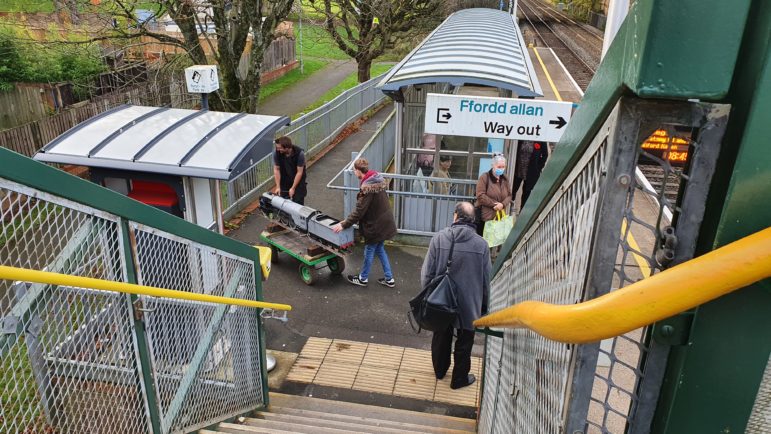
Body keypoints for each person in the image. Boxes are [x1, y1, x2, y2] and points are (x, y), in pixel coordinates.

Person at [421, 202, 490, 390]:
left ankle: (440, 371)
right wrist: (484, 306)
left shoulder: (439, 239)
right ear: (473, 221)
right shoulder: (482, 245)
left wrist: (428, 296)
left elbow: (428, 272)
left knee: (441, 334)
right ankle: (459, 379)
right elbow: (486, 280)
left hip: (441, 299)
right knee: (465, 340)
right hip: (470, 303)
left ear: (455, 216)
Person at [332, 158, 397, 287]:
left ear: (357, 171)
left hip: (376, 225)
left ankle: (363, 278)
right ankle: (389, 278)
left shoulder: (367, 188)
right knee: (380, 249)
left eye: (354, 171)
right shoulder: (377, 179)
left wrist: (343, 224)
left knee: (369, 250)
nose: (354, 173)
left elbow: (359, 212)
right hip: (384, 222)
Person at [475, 154, 512, 236]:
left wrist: (502, 204)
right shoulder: (484, 177)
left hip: (499, 217)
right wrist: (495, 204)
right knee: (484, 241)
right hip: (485, 217)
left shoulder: (505, 179)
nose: (501, 169)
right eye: (499, 167)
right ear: (493, 166)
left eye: (503, 167)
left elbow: (509, 195)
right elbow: (480, 195)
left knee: (495, 240)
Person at [512, 140, 549, 211]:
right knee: (512, 191)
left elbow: (545, 155)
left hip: (531, 173)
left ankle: (521, 215)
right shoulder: (521, 136)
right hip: (518, 170)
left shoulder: (541, 140)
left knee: (526, 195)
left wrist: (538, 167)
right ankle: (508, 212)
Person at [272, 136, 307, 205]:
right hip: (285, 179)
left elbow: (299, 172)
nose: (278, 149)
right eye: (277, 147)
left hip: (297, 180)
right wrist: (278, 186)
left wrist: (293, 188)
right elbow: (276, 169)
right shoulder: (276, 153)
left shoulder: (300, 154)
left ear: (287, 148)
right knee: (283, 202)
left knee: (298, 202)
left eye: (280, 148)